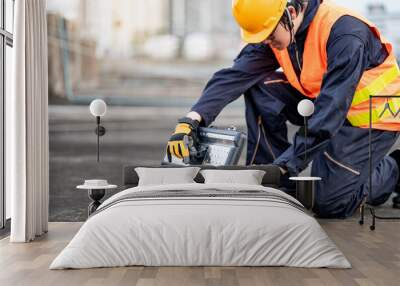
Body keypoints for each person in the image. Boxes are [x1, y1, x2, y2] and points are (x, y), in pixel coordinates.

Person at [166, 0, 400, 218]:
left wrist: (287, 164)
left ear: (291, 12)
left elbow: (330, 113)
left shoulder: (346, 34)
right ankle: (270, 179)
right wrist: (191, 119)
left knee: (328, 203)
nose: (267, 42)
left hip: (370, 119)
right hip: (325, 107)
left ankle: (394, 169)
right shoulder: (281, 30)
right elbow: (235, 76)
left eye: (269, 35)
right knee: (260, 85)